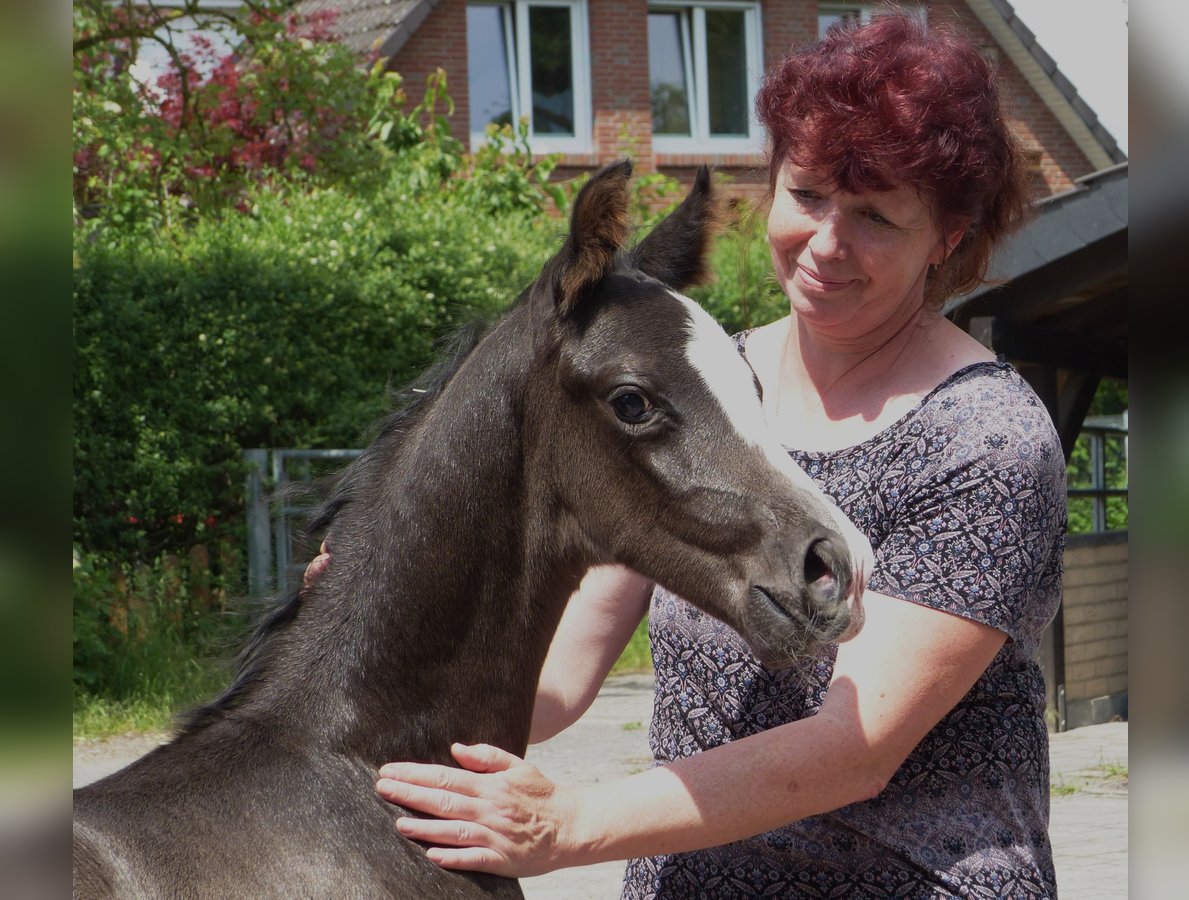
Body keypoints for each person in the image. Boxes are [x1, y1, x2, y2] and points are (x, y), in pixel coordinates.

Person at [310, 10, 1066, 897]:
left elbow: (853, 748)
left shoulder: (985, 440)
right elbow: (554, 684)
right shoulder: (705, 385)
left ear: (946, 236)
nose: (826, 243)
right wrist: (399, 617)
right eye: (809, 194)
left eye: (876, 218)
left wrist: (567, 825)